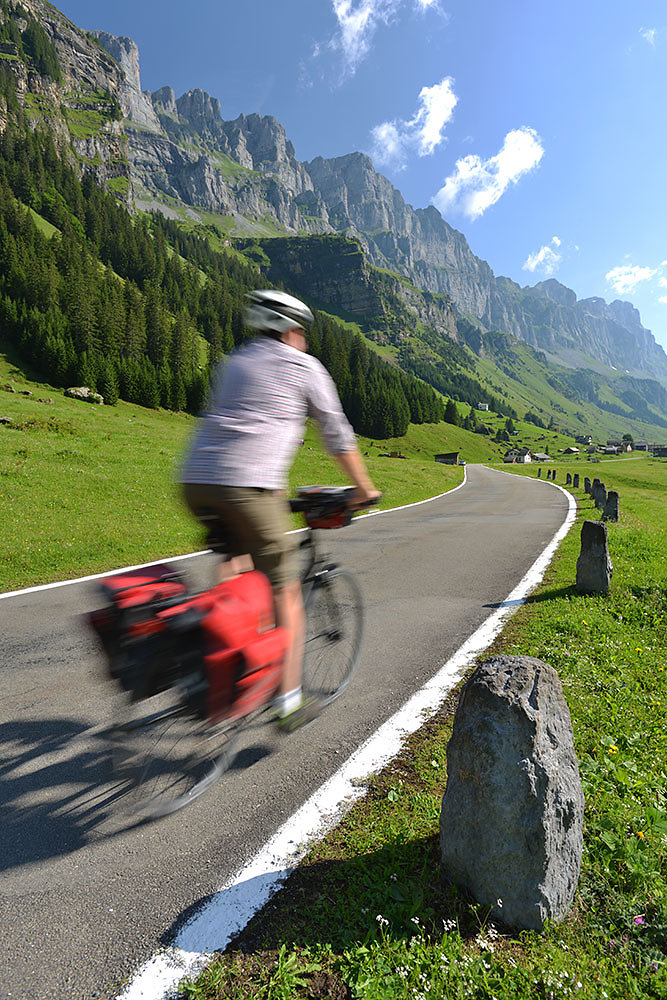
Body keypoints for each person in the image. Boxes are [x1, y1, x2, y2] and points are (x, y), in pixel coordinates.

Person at [180, 289, 380, 729]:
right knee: (285, 589)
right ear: (290, 330)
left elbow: (240, 423)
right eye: (302, 332)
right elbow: (336, 433)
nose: (304, 341)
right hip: (248, 486)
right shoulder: (304, 367)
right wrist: (364, 488)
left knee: (235, 563)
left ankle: (216, 652)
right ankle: (287, 701)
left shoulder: (234, 361)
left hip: (195, 481)